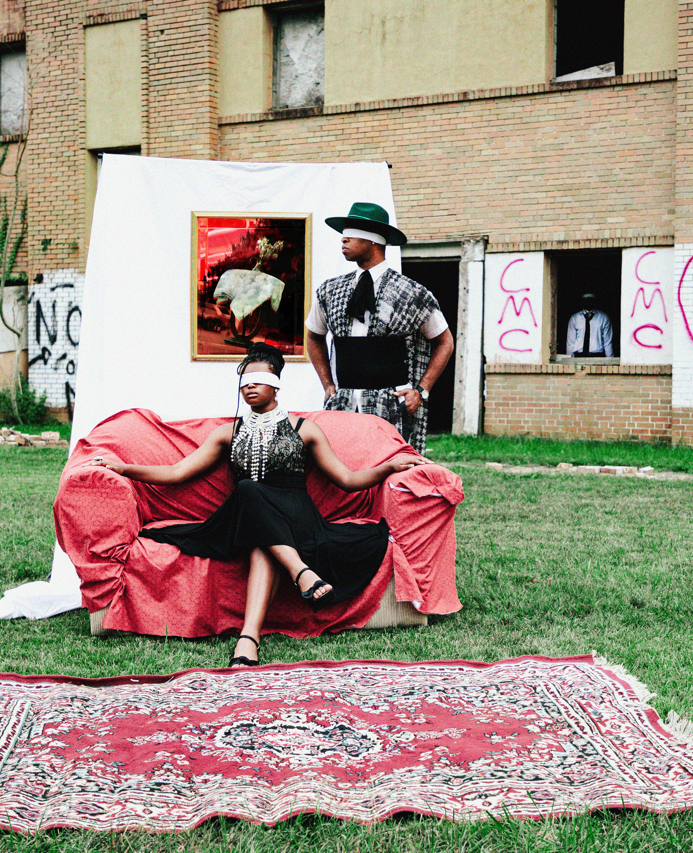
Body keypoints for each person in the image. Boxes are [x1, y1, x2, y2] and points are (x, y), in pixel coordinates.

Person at [85, 343, 424, 668]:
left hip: (297, 519)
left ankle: (249, 638)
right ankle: (299, 573)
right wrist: (123, 468)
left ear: (277, 385)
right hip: (243, 515)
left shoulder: (304, 429)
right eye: (244, 382)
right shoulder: (227, 432)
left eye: (259, 380)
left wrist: (388, 467)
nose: (250, 388)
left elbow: (347, 480)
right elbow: (177, 472)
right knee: (248, 490)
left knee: (264, 536)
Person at [305, 201, 454, 453]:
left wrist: (421, 390)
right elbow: (313, 336)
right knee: (343, 466)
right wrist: (328, 385)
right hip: (343, 403)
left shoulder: (411, 292)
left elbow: (445, 342)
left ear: (374, 240)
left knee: (389, 469)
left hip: (391, 404)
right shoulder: (330, 290)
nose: (344, 239)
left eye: (352, 233)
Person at [564, 292, 615, 357]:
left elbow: (607, 342)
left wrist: (610, 361)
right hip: (579, 356)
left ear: (595, 301)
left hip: (597, 356)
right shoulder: (575, 318)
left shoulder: (603, 318)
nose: (588, 302)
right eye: (586, 300)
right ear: (582, 301)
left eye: (591, 300)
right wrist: (569, 360)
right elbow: (571, 342)